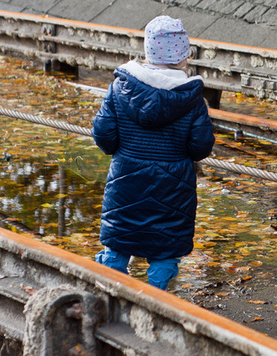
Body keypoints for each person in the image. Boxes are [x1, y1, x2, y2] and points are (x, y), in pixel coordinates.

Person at [92, 15, 215, 289]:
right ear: (184, 57)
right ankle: (155, 297)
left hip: (125, 183)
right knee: (165, 248)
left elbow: (103, 137)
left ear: (148, 52)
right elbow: (200, 147)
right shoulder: (192, 98)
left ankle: (110, 291)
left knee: (119, 241)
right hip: (173, 189)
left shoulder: (120, 88)